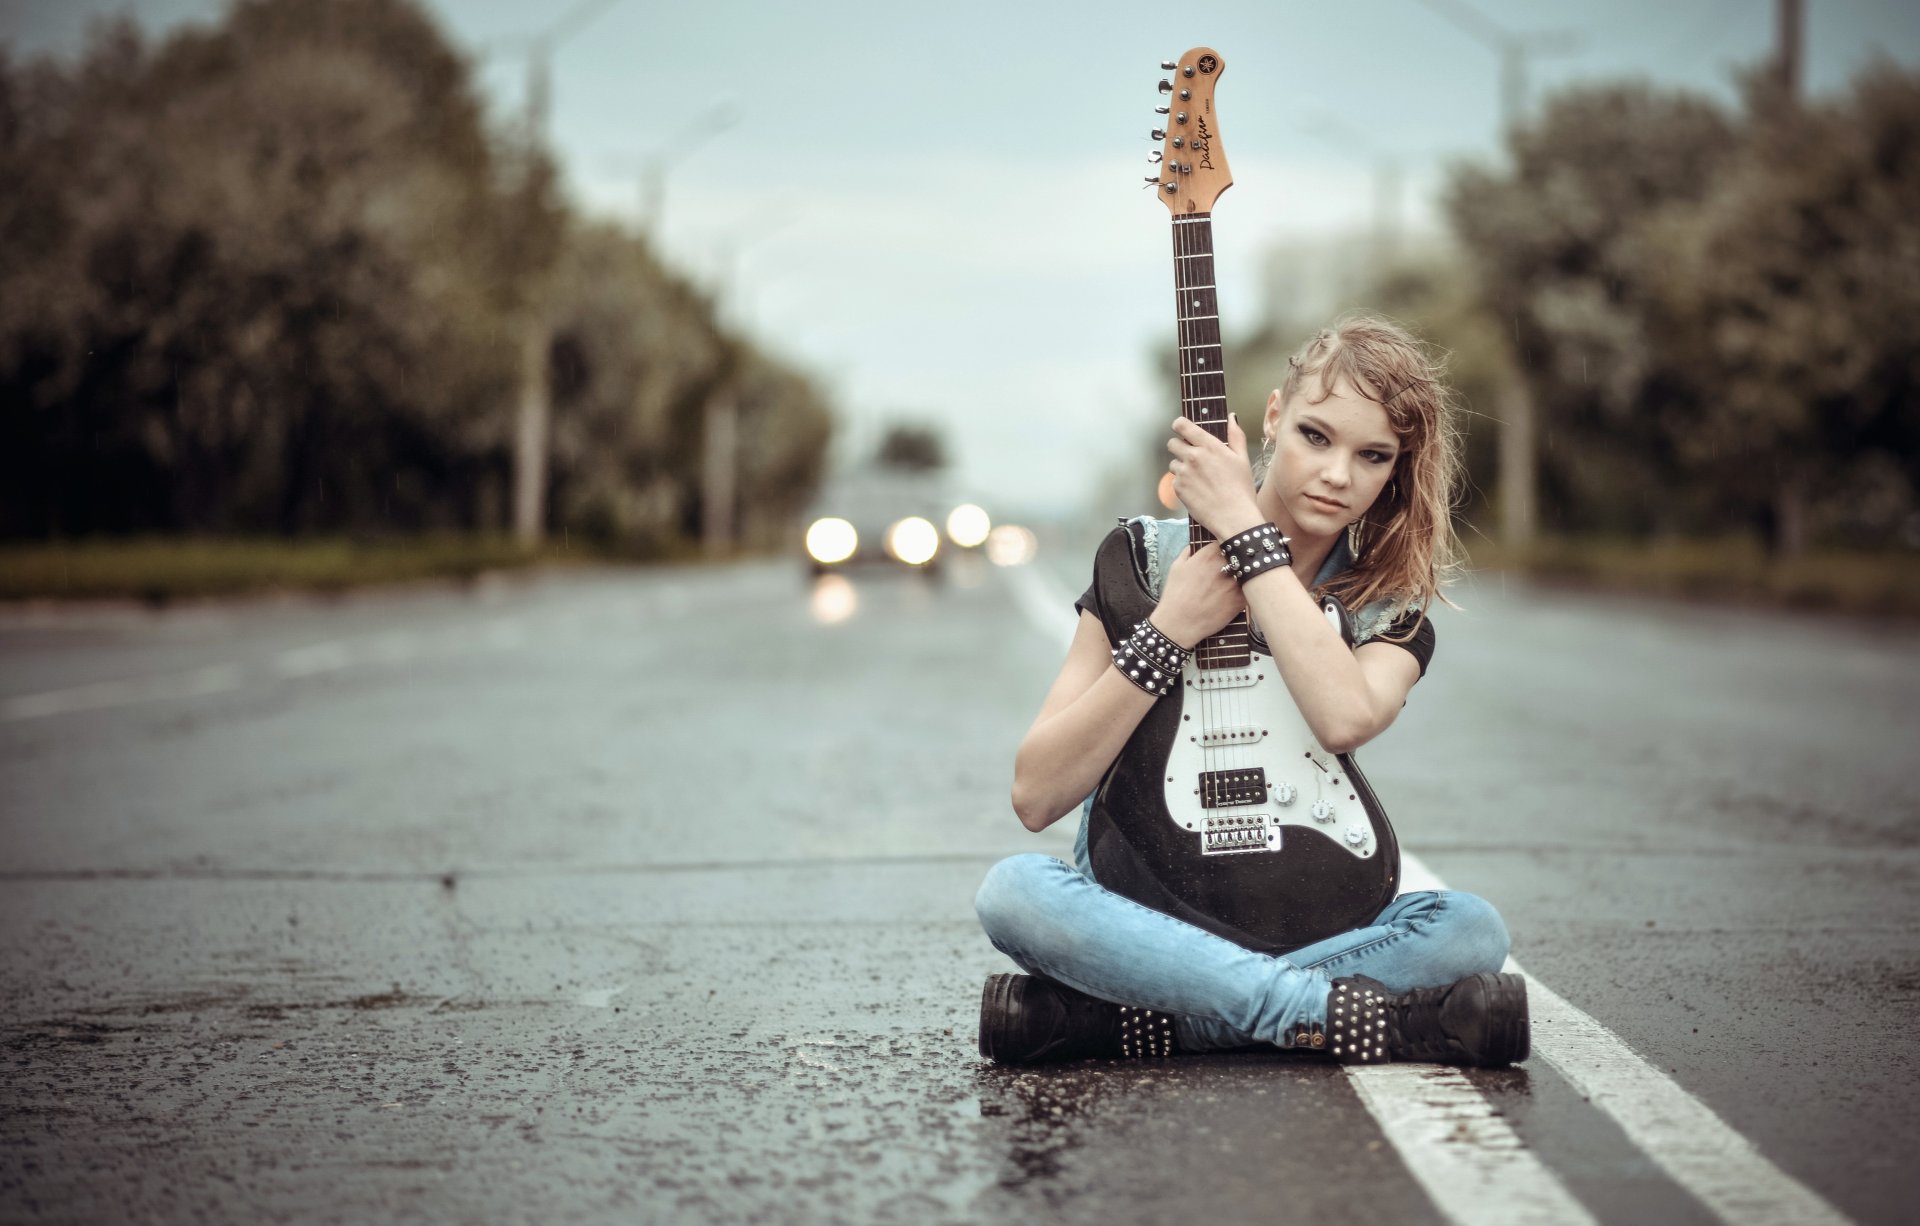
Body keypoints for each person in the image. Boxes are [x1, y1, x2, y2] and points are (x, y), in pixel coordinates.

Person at [973, 313, 1530, 1066]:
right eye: (1315, 436)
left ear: (1396, 469)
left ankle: (1153, 1020)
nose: (1337, 474)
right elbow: (1036, 794)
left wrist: (1244, 527)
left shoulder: (1387, 602)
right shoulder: (1139, 561)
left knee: (1471, 931)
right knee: (1014, 893)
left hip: (1310, 917)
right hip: (1143, 909)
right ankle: (1333, 1016)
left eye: (1373, 456)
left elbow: (1345, 717)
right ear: (1274, 416)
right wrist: (1169, 629)